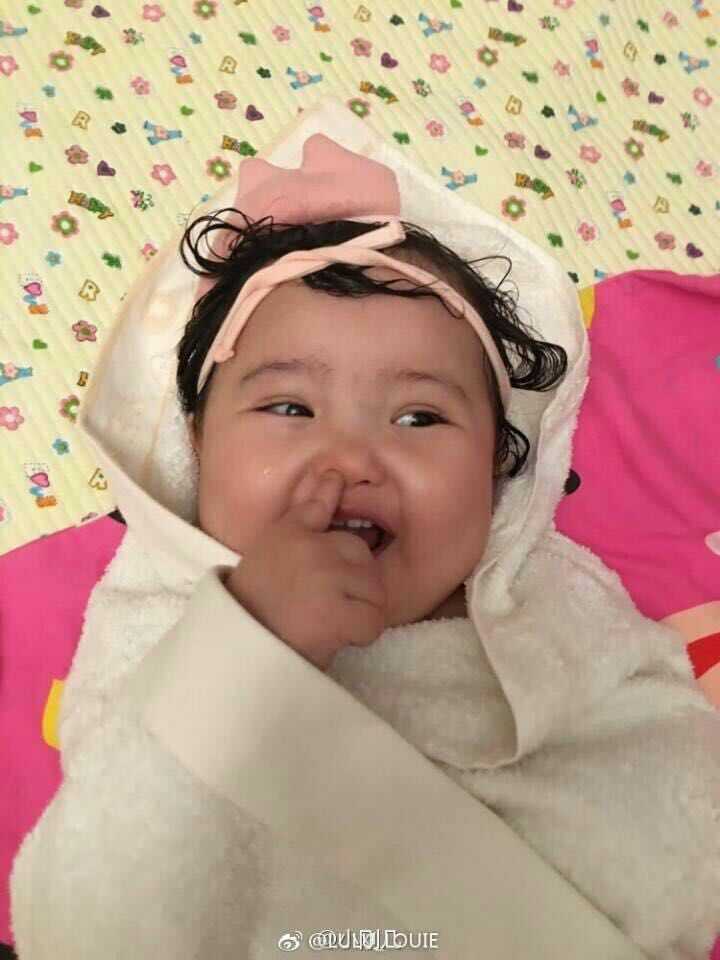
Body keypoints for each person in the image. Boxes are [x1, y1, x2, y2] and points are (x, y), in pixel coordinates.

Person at [9, 106, 719, 960]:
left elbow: (677, 798)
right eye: (289, 408)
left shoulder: (556, 606)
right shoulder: (165, 614)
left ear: (498, 468)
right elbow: (86, 917)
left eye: (419, 417)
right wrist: (247, 649)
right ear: (196, 446)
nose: (351, 458)